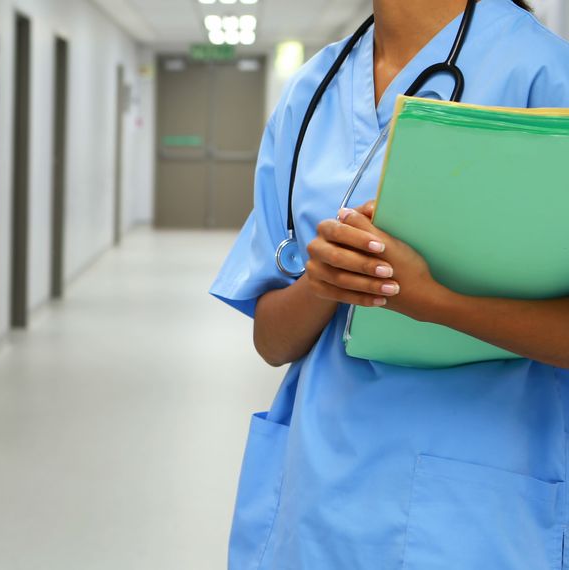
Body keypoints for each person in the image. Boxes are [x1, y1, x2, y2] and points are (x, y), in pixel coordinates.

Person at [211, 0, 569, 567]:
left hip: (473, 510)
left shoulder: (545, 75)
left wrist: (437, 302)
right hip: (316, 497)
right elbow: (272, 342)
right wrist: (322, 283)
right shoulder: (314, 90)